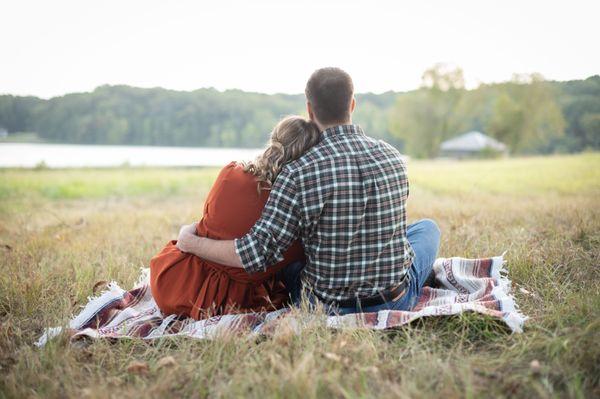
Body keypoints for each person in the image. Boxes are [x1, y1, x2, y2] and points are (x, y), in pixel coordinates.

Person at [175, 67, 441, 315]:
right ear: (352, 105)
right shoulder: (393, 157)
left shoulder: (297, 172)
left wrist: (192, 243)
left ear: (310, 110)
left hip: (324, 307)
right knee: (427, 229)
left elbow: (255, 254)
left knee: (290, 265)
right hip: (395, 300)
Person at [149, 116, 320, 319]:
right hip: (226, 302)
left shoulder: (231, 172)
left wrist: (190, 238)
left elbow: (211, 222)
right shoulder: (287, 208)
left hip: (173, 281)